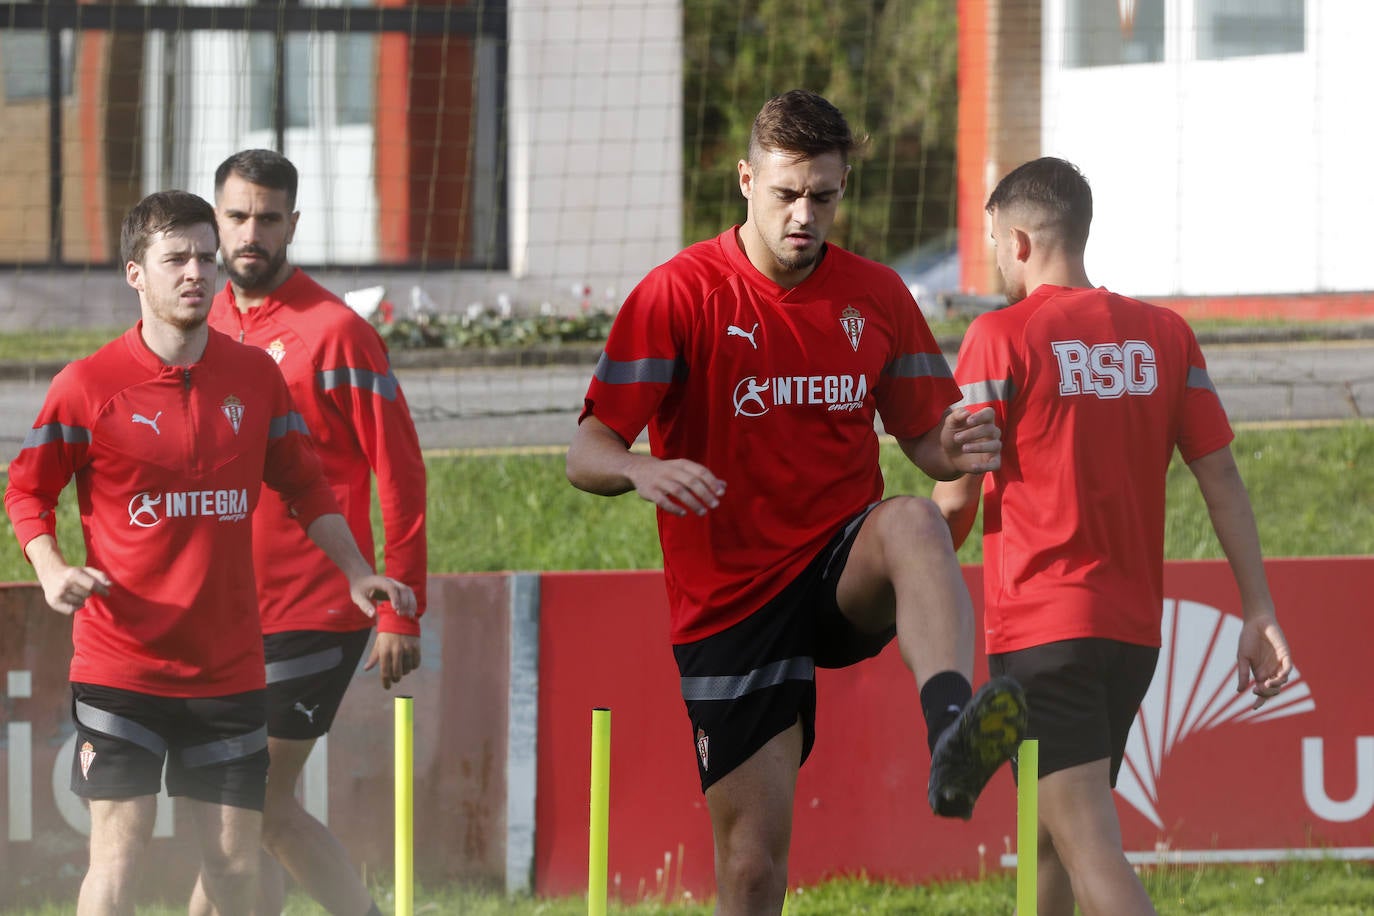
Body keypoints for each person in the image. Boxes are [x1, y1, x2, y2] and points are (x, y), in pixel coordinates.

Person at [565, 89, 1028, 915]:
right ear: (747, 180)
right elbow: (586, 450)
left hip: (838, 567)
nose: (805, 215)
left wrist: (948, 449)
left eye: (824, 195)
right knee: (751, 872)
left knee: (915, 518)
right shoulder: (679, 293)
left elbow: (924, 436)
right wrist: (640, 471)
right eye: (786, 193)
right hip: (731, 600)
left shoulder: (878, 296)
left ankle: (953, 727)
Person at [2, 190, 416, 916]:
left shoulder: (255, 377)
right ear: (137, 274)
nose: (196, 272)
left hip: (227, 671)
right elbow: (26, 493)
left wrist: (358, 572)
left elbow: (307, 486)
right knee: (118, 860)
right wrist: (52, 568)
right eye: (175, 259)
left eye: (204, 256)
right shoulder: (88, 385)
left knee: (232, 868)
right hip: (121, 664)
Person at [930, 157, 1294, 916]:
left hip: (1040, 633)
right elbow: (1221, 480)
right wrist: (1258, 608)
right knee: (1051, 842)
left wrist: (900, 565)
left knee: (1089, 844)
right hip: (1129, 637)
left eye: (996, 241)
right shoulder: (1165, 335)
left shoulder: (999, 338)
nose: (996, 258)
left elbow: (956, 500)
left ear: (1021, 242)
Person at [189, 149, 428, 916]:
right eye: (236, 216)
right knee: (232, 815)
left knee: (256, 800)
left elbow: (402, 475)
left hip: (319, 607)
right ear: (215, 221)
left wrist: (400, 605)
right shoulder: (204, 322)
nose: (250, 232)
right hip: (223, 615)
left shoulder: (338, 333)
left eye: (267, 217)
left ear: (294, 222)